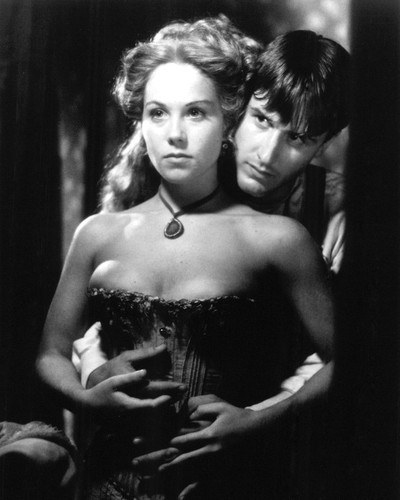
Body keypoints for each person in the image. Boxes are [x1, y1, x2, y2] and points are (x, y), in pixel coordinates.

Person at [36, 17, 335, 499]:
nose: (174, 133)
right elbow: (50, 355)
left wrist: (256, 421)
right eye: (157, 113)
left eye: (195, 113)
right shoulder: (97, 232)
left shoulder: (279, 239)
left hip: (225, 483)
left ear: (229, 124)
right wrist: (88, 397)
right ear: (140, 123)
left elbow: (352, 364)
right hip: (105, 482)